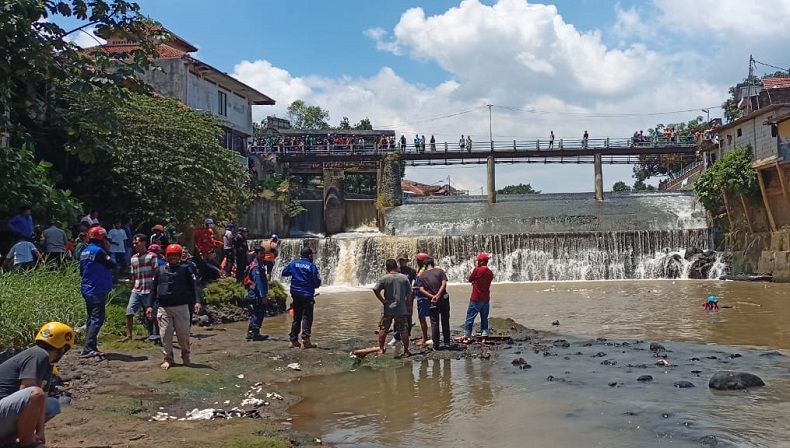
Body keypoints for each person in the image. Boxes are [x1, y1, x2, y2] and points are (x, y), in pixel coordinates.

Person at [0, 322, 73, 448]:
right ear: (63, 348)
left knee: (52, 405)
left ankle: (7, 442)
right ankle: (26, 443)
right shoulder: (39, 355)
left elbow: (42, 399)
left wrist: (40, 432)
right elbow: (29, 392)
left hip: (4, 412)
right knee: (35, 394)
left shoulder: (47, 364)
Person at [147, 244, 203, 370]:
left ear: (179, 257)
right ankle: (168, 359)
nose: (173, 258)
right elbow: (153, 289)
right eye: (170, 255)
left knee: (183, 335)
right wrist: (149, 305)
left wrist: (197, 301)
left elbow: (194, 286)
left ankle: (185, 354)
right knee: (165, 334)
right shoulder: (159, 270)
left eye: (175, 255)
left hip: (182, 307)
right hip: (164, 308)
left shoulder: (186, 269)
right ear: (166, 256)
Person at [79, 226, 116, 358]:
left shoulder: (84, 251)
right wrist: (108, 250)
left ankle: (91, 346)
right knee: (97, 319)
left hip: (86, 288)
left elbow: (81, 271)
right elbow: (112, 264)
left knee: (91, 318)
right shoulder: (99, 251)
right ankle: (88, 348)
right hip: (96, 289)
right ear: (102, 238)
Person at [121, 234, 160, 343]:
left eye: (137, 243)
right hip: (137, 289)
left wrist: (156, 289)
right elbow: (133, 275)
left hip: (149, 289)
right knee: (129, 312)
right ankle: (128, 335)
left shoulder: (152, 256)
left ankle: (157, 335)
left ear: (143, 243)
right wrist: (133, 286)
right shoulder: (133, 258)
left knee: (153, 315)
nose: (134, 245)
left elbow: (156, 273)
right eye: (133, 243)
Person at [282, 247, 321, 349]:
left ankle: (293, 341)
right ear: (309, 255)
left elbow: (284, 273)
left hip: (295, 294)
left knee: (297, 317)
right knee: (307, 317)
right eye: (312, 255)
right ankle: (306, 341)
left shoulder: (294, 263)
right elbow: (317, 283)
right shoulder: (311, 266)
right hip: (307, 295)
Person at [373, 259, 413, 357]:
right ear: (396, 267)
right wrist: (409, 306)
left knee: (383, 329)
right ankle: (406, 351)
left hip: (388, 309)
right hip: (401, 308)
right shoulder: (404, 278)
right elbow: (409, 294)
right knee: (404, 330)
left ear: (387, 268)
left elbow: (375, 289)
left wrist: (382, 301)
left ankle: (381, 349)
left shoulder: (384, 278)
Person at [419, 258, 450, 349]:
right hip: (443, 298)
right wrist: (438, 295)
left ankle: (436, 345)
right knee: (445, 320)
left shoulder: (422, 275)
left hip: (432, 301)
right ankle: (447, 342)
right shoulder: (440, 271)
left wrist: (432, 296)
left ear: (425, 266)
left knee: (434, 322)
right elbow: (444, 284)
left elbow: (421, 289)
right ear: (433, 263)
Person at [463, 253, 494, 342]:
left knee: (470, 317)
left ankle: (467, 336)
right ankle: (484, 336)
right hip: (486, 298)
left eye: (478, 261)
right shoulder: (490, 272)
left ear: (482, 261)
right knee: (484, 318)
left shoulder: (477, 270)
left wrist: (474, 282)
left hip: (476, 298)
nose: (477, 263)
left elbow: (470, 279)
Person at [243, 245, 269, 341]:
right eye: (261, 253)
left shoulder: (259, 264)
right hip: (256, 294)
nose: (263, 255)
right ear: (256, 254)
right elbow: (258, 282)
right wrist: (263, 296)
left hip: (255, 293)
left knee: (255, 312)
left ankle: (251, 332)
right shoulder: (256, 266)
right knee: (259, 312)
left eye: (264, 253)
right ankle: (255, 333)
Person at [390, 253, 416, 346]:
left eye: (403, 260)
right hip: (397, 295)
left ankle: (407, 334)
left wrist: (412, 290)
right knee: (397, 315)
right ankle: (396, 336)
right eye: (400, 260)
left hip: (409, 295)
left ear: (406, 261)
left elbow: (415, 282)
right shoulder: (396, 271)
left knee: (408, 314)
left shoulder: (412, 271)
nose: (402, 262)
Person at [412, 253, 431, 345]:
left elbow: (425, 284)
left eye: (418, 260)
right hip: (420, 295)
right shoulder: (422, 269)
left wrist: (414, 288)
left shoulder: (425, 270)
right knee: (423, 317)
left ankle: (425, 338)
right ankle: (427, 336)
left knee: (422, 317)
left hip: (424, 296)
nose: (417, 262)